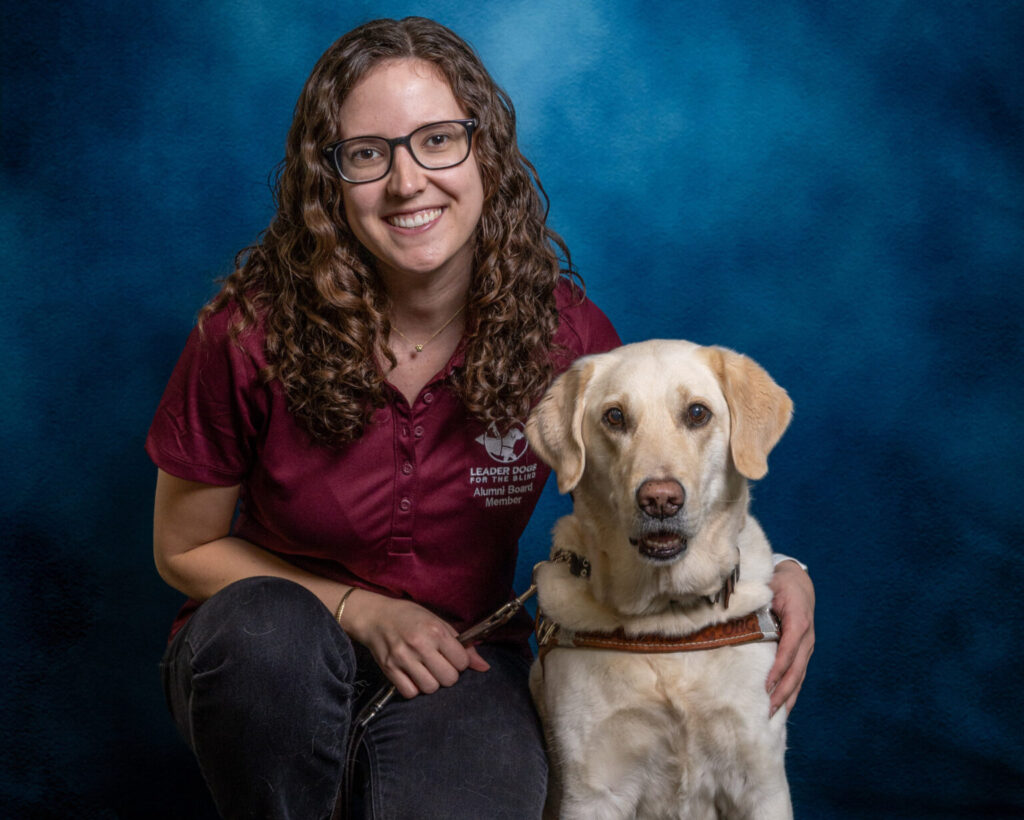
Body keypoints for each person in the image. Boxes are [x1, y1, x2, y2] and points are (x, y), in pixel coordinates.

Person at [147, 16, 815, 820]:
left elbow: (650, 487)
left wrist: (777, 572)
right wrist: (364, 612)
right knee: (264, 639)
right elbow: (184, 548)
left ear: (484, 153)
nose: (407, 182)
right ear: (329, 181)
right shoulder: (245, 331)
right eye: (367, 154)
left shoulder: (567, 339)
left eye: (437, 140)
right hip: (270, 654)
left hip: (457, 660)